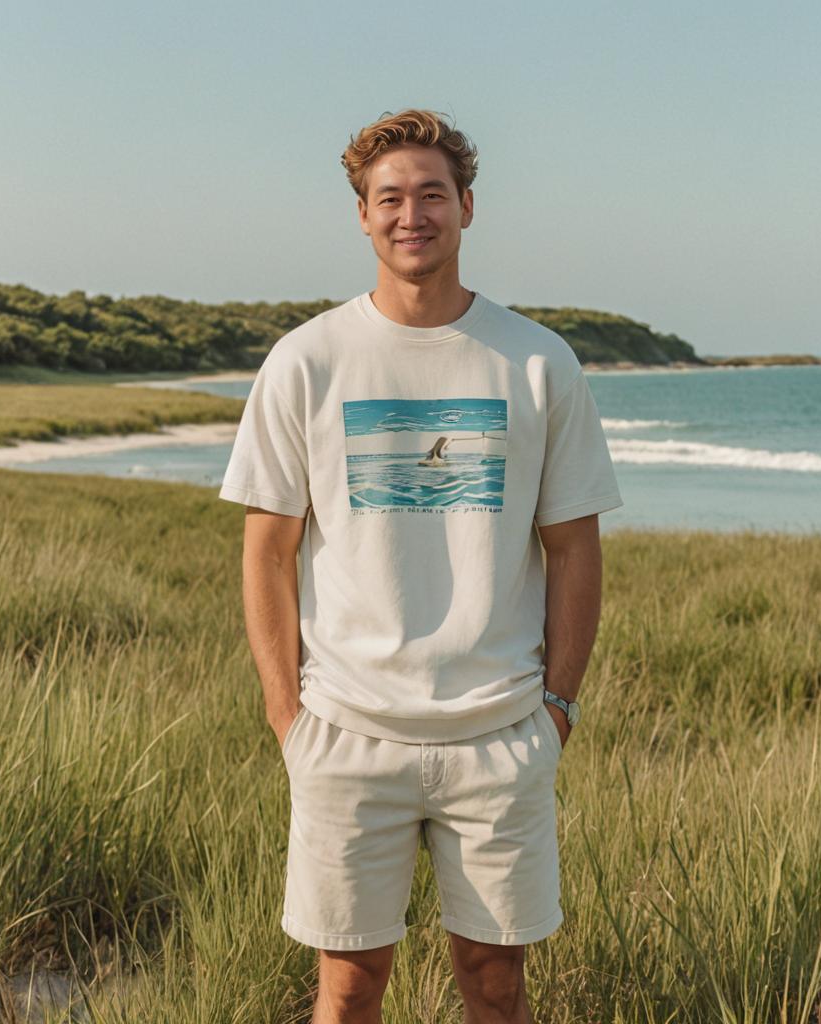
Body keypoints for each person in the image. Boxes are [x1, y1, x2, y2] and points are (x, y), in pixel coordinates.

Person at [219, 108, 623, 1024]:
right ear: (362, 216)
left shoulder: (538, 363)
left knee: (496, 980)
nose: (412, 215)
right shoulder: (307, 361)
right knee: (349, 986)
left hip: (499, 730)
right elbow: (267, 548)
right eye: (389, 197)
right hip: (347, 732)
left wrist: (555, 706)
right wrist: (287, 714)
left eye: (431, 194)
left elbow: (574, 546)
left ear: (467, 207)